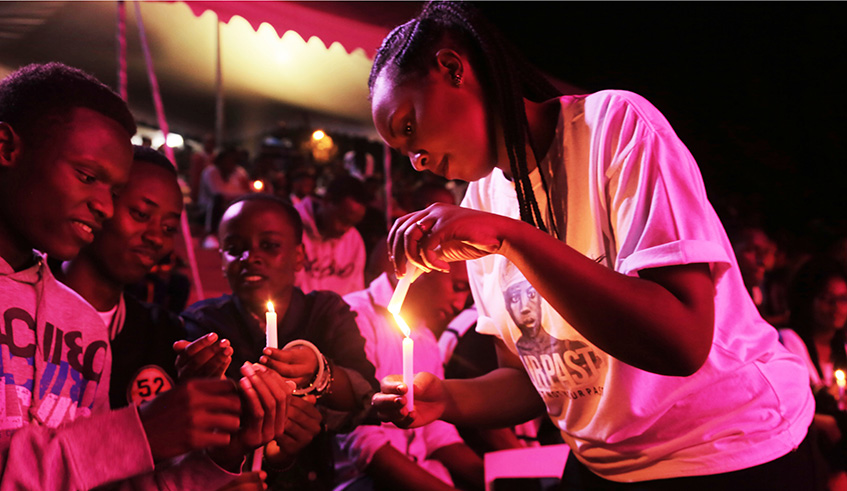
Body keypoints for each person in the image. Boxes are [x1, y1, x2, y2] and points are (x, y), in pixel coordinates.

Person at [368, 2, 818, 489]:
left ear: (453, 68)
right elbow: (534, 379)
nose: (414, 160)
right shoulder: (482, 200)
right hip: (606, 465)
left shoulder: (614, 127)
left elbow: (682, 342)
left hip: (728, 448)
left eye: (408, 126)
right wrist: (448, 400)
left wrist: (512, 239)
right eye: (401, 150)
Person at [0, 62, 287, 489]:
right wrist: (141, 432)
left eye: (113, 191)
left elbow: (95, 483)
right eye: (87, 177)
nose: (104, 206)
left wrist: (219, 461)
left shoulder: (80, 327)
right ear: (7, 147)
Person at [182, 194, 379, 490]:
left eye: (270, 245)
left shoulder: (326, 312)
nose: (251, 257)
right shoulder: (204, 325)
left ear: (300, 256)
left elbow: (365, 398)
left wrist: (320, 373)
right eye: (235, 249)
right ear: (221, 258)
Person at [336, 265, 483, 491]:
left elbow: (437, 434)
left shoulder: (426, 338)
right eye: (457, 287)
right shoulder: (354, 315)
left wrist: (492, 478)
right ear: (423, 267)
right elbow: (363, 441)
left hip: (427, 472)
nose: (459, 305)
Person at [778, 257, 847, 490]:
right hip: (807, 445)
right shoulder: (789, 341)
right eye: (828, 299)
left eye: (843, 299)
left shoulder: (843, 348)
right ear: (809, 300)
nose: (837, 308)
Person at [295, 174, 369, 296]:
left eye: (352, 224)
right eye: (343, 220)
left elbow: (355, 291)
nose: (346, 229)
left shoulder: (354, 239)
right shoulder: (292, 230)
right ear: (327, 200)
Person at [198, 146, 251, 249]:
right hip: (208, 210)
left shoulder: (239, 173)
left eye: (234, 160)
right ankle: (211, 234)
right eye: (228, 160)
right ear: (221, 160)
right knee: (218, 200)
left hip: (232, 207)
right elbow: (217, 192)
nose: (231, 163)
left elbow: (247, 192)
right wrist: (236, 195)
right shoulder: (210, 172)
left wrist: (234, 197)